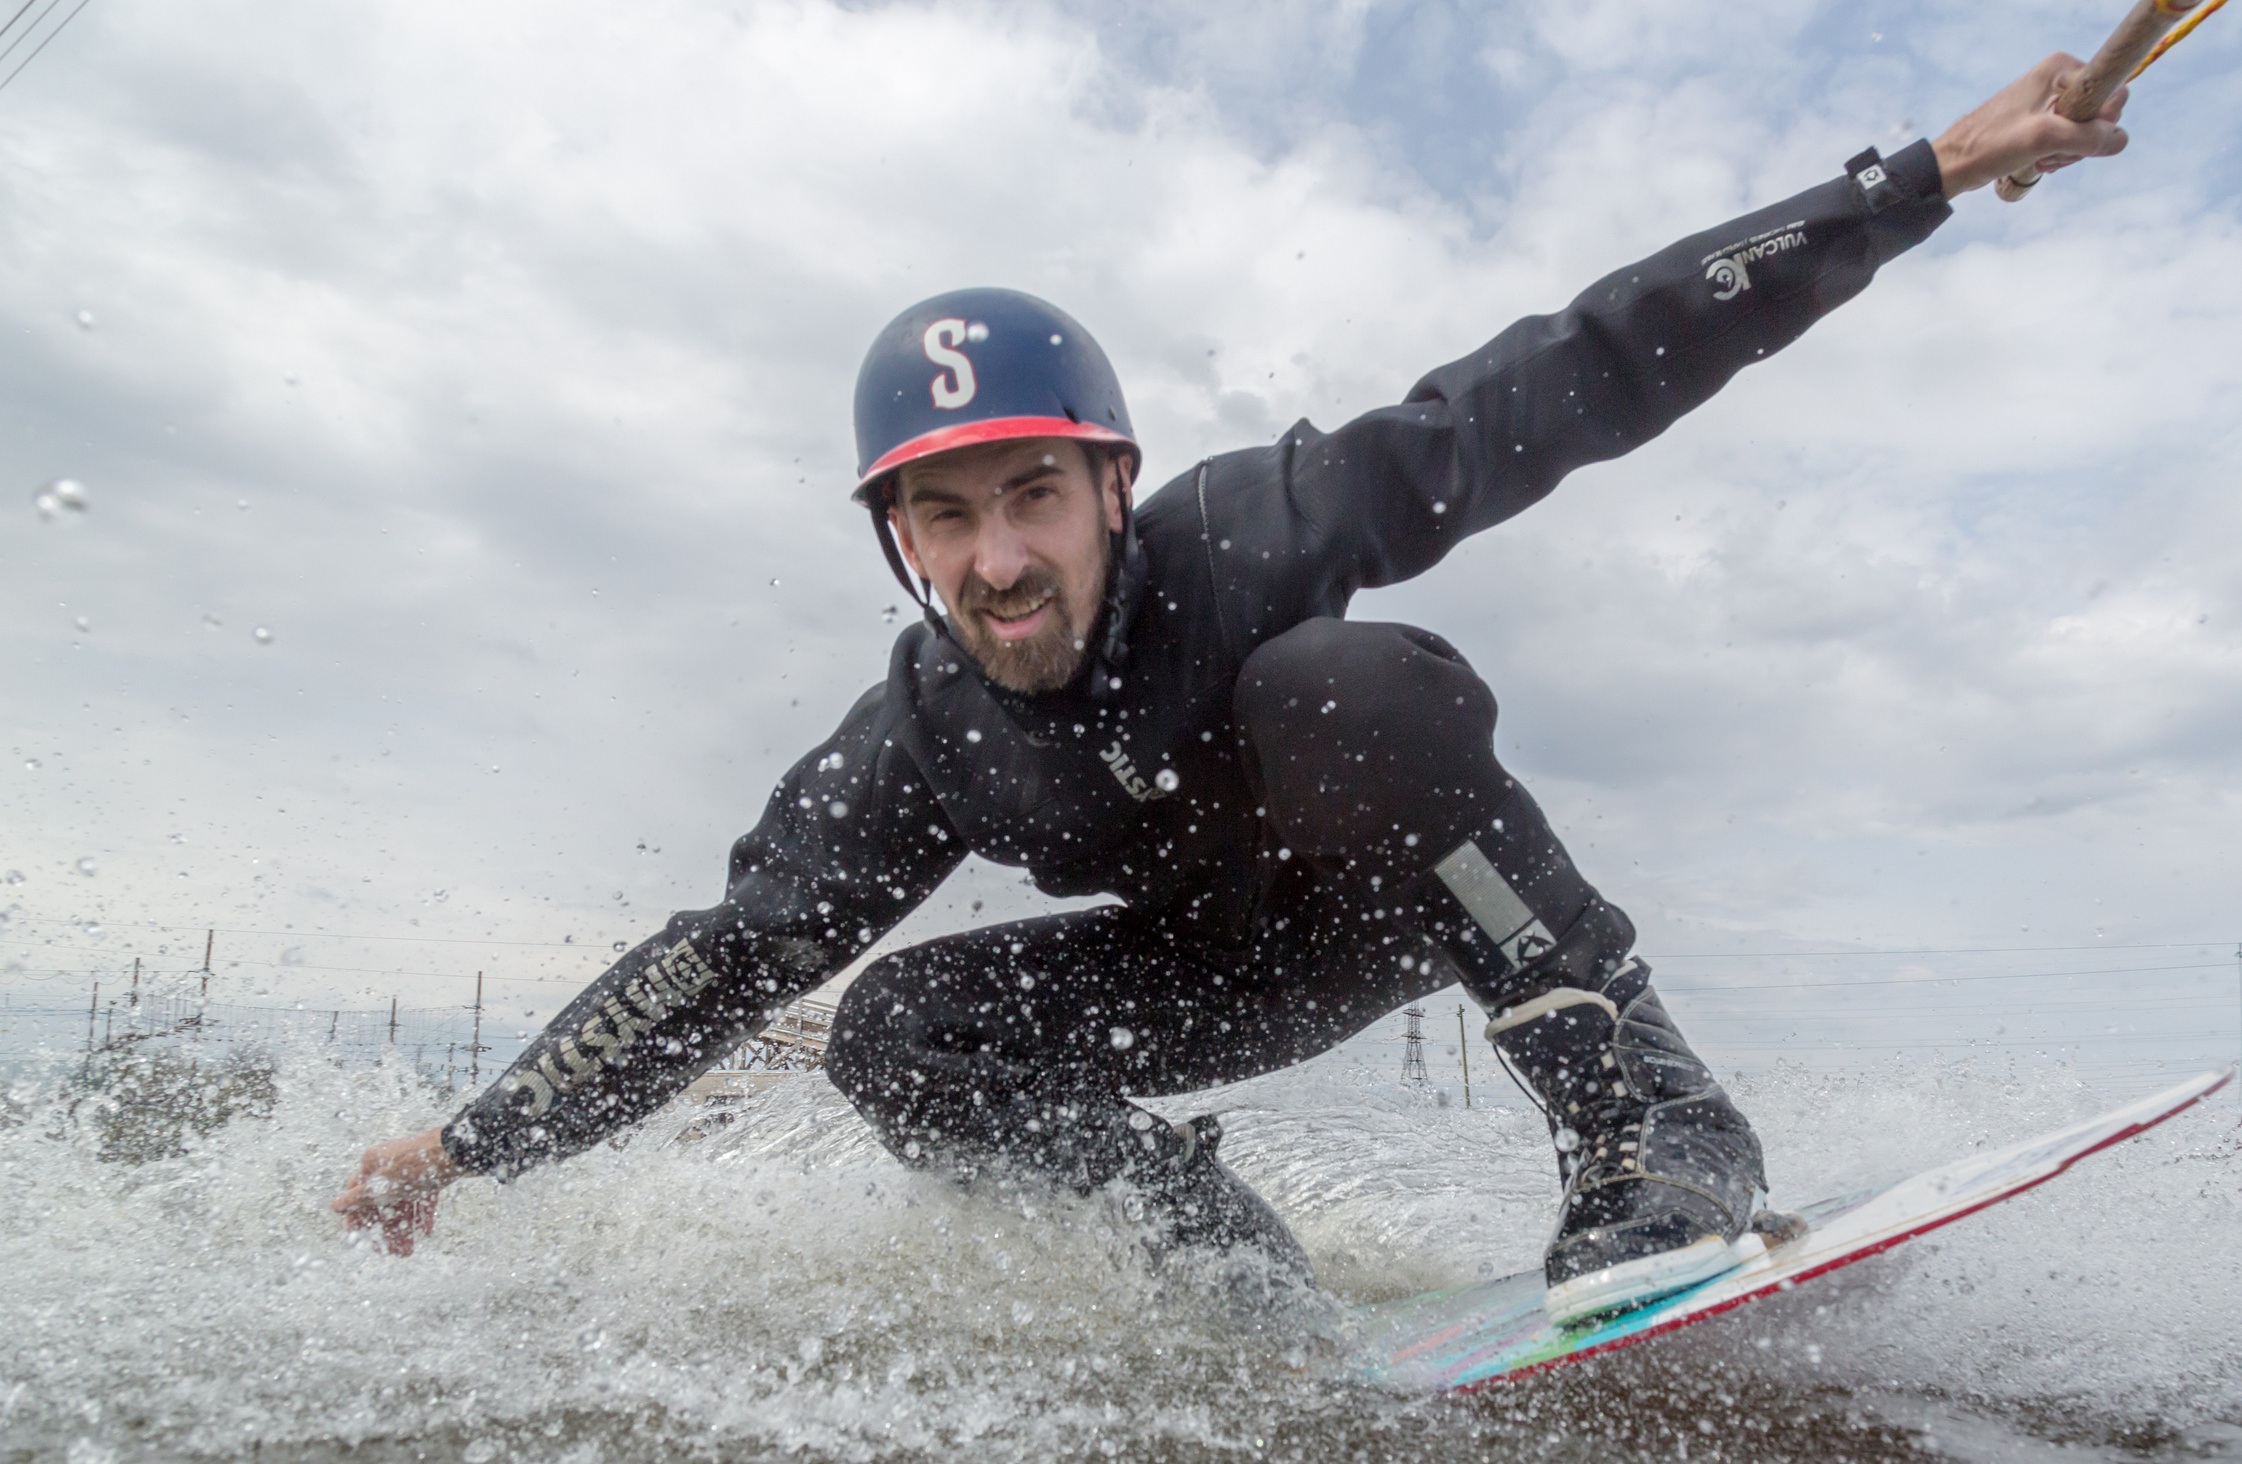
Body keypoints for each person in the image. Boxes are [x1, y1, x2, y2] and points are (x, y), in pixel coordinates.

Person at [337, 57, 2131, 1321]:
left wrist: (1917, 184)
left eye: (1035, 496)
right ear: (897, 539)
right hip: (1195, 987)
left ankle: (1649, 1124)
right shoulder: (919, 736)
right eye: (945, 519)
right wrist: (467, 1146)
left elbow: (1573, 372)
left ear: (1114, 486)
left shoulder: (1250, 532)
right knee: (886, 1029)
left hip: (1406, 903)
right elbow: (724, 959)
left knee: (1356, 684)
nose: (999, 561)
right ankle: (1216, 1270)